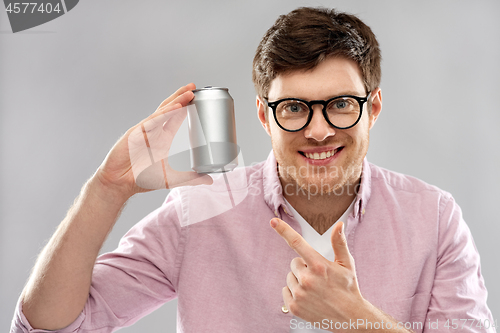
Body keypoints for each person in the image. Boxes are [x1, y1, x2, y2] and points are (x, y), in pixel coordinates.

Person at [11, 7, 495, 333]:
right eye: (294, 109)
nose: (320, 131)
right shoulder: (199, 210)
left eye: (342, 105)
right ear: (265, 116)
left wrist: (358, 320)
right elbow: (49, 326)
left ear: (373, 108)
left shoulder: (433, 217)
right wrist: (106, 189)